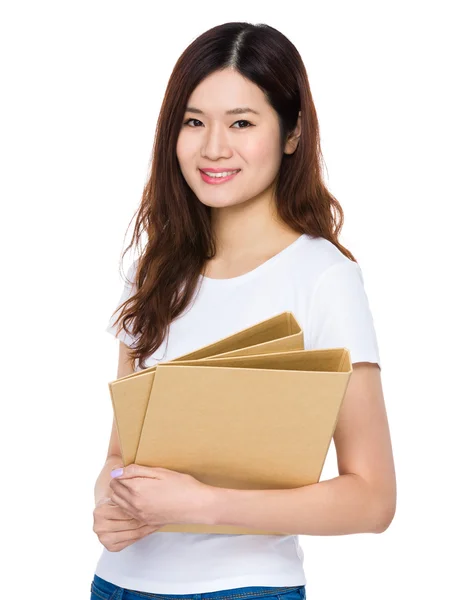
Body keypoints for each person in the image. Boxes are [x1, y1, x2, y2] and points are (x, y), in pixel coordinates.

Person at [91, 21, 396, 600]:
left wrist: (204, 506)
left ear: (291, 133)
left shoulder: (324, 278)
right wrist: (109, 504)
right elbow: (119, 455)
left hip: (244, 589)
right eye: (193, 121)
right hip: (116, 585)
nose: (213, 148)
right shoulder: (152, 269)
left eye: (241, 123)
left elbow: (373, 499)